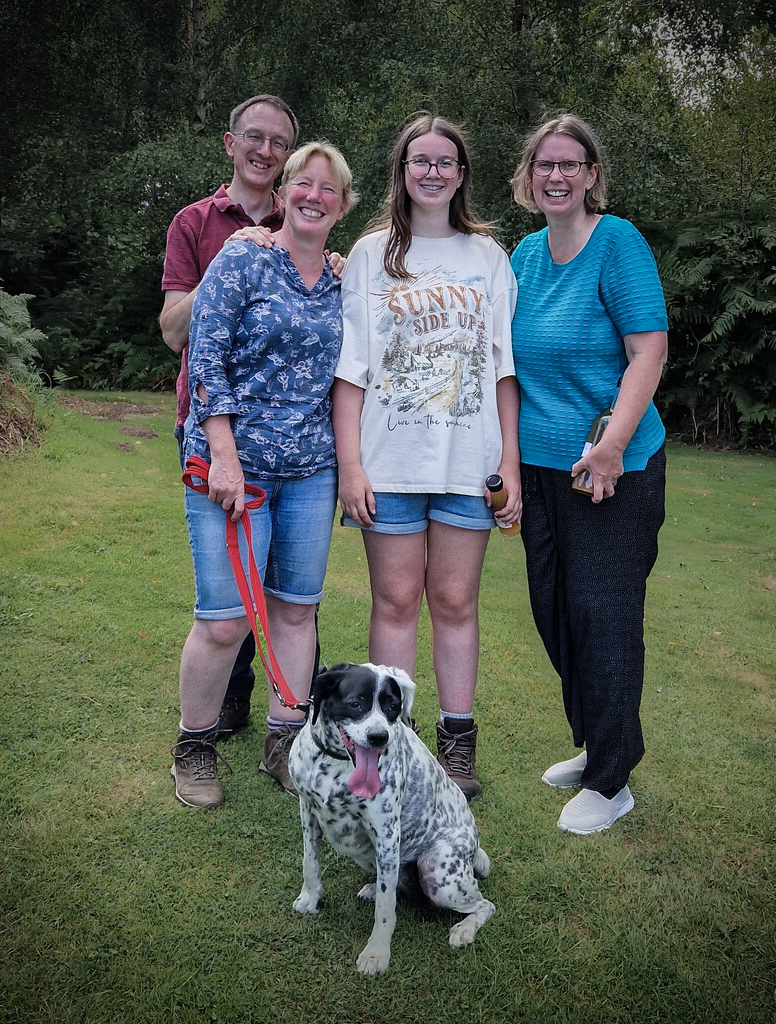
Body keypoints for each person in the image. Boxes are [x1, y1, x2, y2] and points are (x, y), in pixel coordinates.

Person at [332, 114, 520, 801]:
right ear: (402, 172)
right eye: (420, 160)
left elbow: (504, 372)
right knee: (396, 599)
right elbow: (350, 372)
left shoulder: (488, 259)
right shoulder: (370, 255)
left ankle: (457, 747)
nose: (433, 171)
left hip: (470, 469)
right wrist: (351, 467)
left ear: (462, 175)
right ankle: (394, 744)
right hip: (390, 465)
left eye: (446, 161)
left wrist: (512, 469)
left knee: (454, 599)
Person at [171, 141, 358, 808]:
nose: (312, 195)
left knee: (296, 612)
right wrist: (222, 452)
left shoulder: (344, 279)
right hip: (231, 468)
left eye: (327, 188)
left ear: (342, 205)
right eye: (301, 184)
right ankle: (194, 747)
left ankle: (286, 745)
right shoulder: (243, 258)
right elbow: (207, 356)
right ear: (284, 193)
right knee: (224, 622)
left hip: (310, 473)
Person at [508, 114, 668, 834]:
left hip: (611, 469)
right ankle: (598, 741)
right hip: (542, 471)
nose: (557, 176)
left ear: (592, 174)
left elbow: (648, 351)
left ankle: (612, 781)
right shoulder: (523, 256)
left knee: (604, 619)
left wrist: (612, 445)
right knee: (556, 612)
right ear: (529, 174)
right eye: (546, 164)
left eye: (571, 164)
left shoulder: (618, 243)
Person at [160, 94, 299, 750]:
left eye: (278, 142)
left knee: (285, 590)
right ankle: (209, 724)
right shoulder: (194, 223)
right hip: (211, 429)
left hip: (291, 439)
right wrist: (231, 262)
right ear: (229, 142)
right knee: (227, 600)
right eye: (254, 137)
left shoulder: (302, 216)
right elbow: (170, 331)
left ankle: (270, 713)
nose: (265, 150)